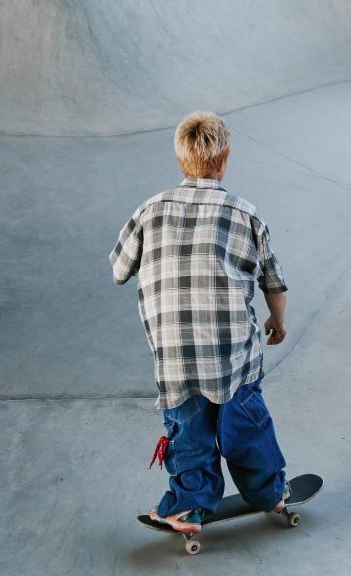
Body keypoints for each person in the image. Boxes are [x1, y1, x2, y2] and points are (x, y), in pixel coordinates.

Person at [109, 111, 290, 534]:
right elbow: (274, 282)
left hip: (174, 354)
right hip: (233, 353)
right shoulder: (245, 213)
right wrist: (277, 322)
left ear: (180, 161)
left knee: (187, 430)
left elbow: (118, 269)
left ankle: (188, 506)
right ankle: (269, 492)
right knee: (245, 424)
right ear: (223, 160)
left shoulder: (149, 210)